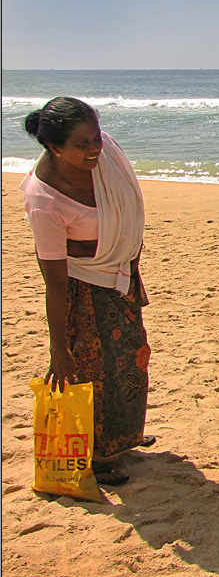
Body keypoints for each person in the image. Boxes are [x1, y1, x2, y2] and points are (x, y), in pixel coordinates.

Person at [20, 97, 152, 486]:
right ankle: (93, 456)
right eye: (82, 144)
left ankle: (123, 438)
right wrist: (57, 348)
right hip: (84, 289)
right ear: (54, 148)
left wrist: (125, 255)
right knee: (94, 373)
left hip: (119, 277)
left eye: (95, 136)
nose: (95, 148)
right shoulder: (44, 200)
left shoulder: (105, 154)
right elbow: (55, 280)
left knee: (132, 359)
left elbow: (124, 207)